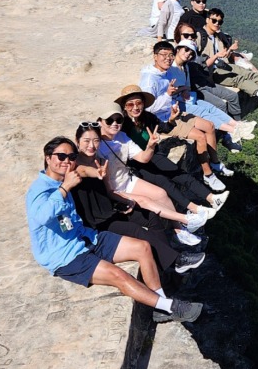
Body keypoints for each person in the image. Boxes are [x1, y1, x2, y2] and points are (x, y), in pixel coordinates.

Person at [26, 136, 202, 323]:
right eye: (61, 156)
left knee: (142, 247)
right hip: (64, 255)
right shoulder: (40, 189)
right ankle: (169, 307)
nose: (66, 161)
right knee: (118, 275)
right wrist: (65, 188)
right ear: (47, 158)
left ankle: (160, 305)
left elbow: (84, 171)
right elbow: (43, 216)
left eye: (71, 156)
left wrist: (95, 175)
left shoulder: (62, 179)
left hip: (86, 238)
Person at [72, 123, 204, 274]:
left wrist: (126, 201)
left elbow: (109, 191)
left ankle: (163, 260)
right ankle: (176, 260)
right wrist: (96, 173)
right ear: (77, 141)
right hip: (96, 220)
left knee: (151, 217)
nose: (91, 145)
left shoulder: (102, 162)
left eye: (96, 141)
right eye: (86, 141)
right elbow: (83, 171)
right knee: (136, 230)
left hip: (111, 209)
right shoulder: (73, 165)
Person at [95, 108, 213, 237]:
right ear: (100, 122)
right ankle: (186, 219)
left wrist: (150, 146)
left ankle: (178, 230)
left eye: (119, 120)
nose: (114, 123)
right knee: (145, 200)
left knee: (161, 193)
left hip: (127, 180)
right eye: (109, 120)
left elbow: (143, 158)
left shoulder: (122, 136)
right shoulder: (96, 144)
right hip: (113, 189)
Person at [114, 85, 226, 212]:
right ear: (124, 106)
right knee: (165, 183)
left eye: (139, 103)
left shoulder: (147, 117)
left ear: (143, 104)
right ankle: (196, 209)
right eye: (130, 105)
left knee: (180, 174)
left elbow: (163, 128)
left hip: (154, 155)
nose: (135, 107)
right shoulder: (121, 124)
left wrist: (172, 120)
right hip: (137, 163)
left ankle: (212, 198)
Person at [140, 42, 229, 190]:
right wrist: (168, 95)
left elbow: (170, 92)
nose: (168, 59)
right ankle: (208, 175)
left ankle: (215, 163)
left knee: (210, 126)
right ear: (155, 56)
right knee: (200, 137)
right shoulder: (150, 80)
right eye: (163, 55)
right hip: (163, 120)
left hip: (175, 112)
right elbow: (149, 108)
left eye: (170, 55)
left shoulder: (165, 72)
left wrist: (179, 91)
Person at [171, 38, 253, 152]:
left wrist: (184, 89)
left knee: (211, 107)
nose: (188, 54)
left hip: (186, 97)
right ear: (178, 49)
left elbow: (187, 85)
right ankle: (233, 130)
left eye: (191, 53)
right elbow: (167, 91)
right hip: (175, 102)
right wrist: (182, 89)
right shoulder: (170, 67)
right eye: (186, 50)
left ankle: (237, 125)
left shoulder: (185, 67)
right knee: (203, 112)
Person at [200, 8, 258, 104]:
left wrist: (230, 50)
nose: (217, 24)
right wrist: (217, 56)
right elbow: (199, 61)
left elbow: (222, 56)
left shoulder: (218, 37)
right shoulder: (199, 36)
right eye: (214, 20)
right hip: (210, 72)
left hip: (223, 65)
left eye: (220, 22)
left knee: (247, 72)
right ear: (207, 20)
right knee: (239, 79)